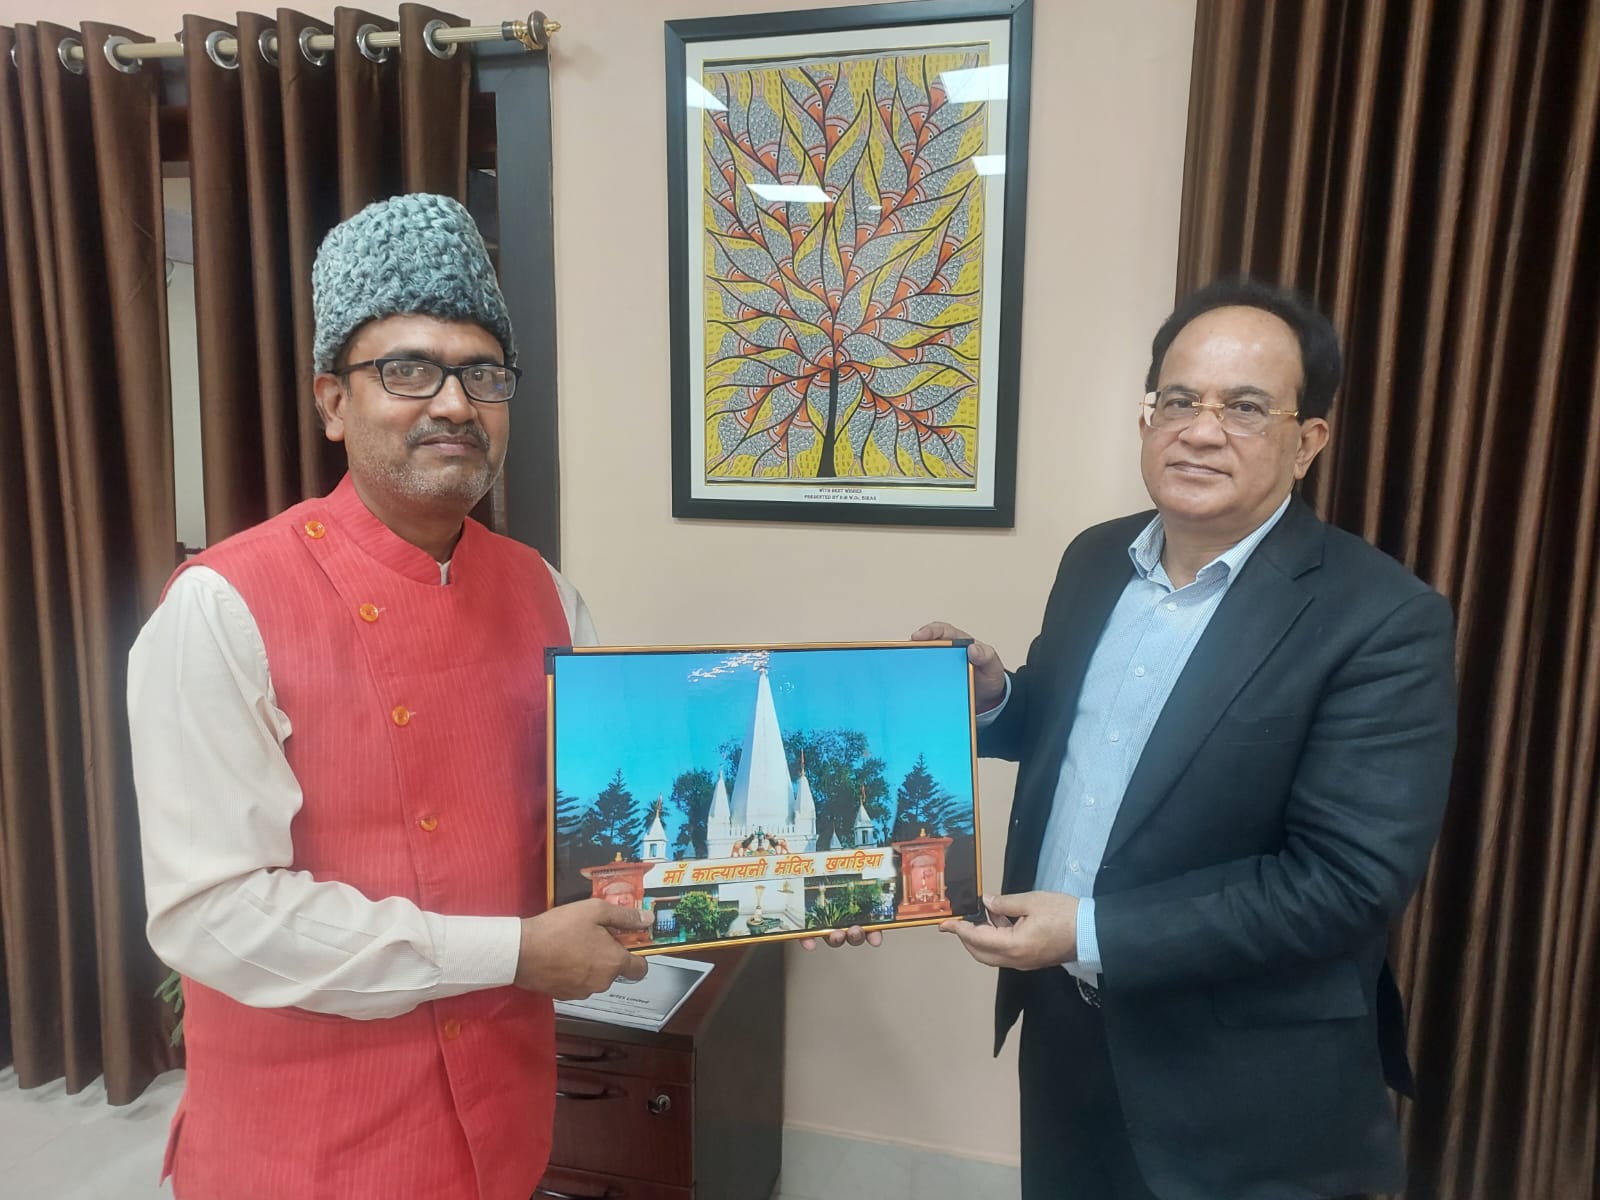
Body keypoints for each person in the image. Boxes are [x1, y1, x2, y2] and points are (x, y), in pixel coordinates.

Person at [128, 193, 649, 1200]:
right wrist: (512, 954)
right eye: (408, 369)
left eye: (482, 373)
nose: (454, 403)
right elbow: (216, 915)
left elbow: (601, 821)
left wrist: (791, 886)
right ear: (333, 402)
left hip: (501, 1114)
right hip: (308, 1147)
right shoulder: (223, 606)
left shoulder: (548, 592)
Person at [919, 278, 1458, 1199]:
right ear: (1147, 417)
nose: (1200, 432)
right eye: (1178, 400)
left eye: (1245, 408)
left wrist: (1087, 930)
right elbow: (1081, 730)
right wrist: (1000, 697)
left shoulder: (1383, 619)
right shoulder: (1096, 558)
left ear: (1308, 442)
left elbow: (1343, 883)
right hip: (1066, 1039)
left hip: (1242, 1087)